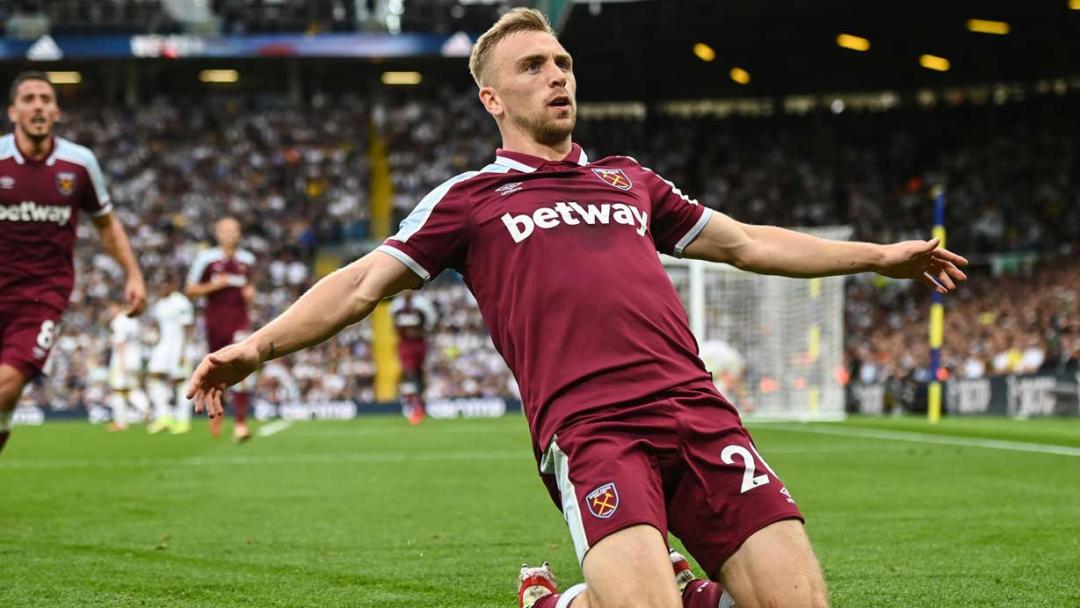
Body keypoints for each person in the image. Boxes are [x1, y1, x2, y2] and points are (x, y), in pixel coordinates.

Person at [187, 9, 968, 608]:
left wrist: (878, 258)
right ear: (492, 96)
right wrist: (255, 349)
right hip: (595, 428)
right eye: (533, 66)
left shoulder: (629, 180)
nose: (558, 75)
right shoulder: (468, 200)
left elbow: (745, 244)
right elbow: (358, 286)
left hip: (698, 411)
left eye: (562, 61)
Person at [0, 71, 146, 454]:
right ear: (13, 111)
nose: (38, 106)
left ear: (56, 111)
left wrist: (133, 274)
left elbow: (107, 224)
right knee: (4, 404)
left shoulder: (79, 163)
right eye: (29, 99)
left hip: (41, 297)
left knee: (6, 384)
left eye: (45, 100)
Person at [185, 216, 256, 442]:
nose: (230, 234)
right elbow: (190, 289)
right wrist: (214, 285)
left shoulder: (248, 260)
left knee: (243, 368)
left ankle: (241, 423)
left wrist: (250, 294)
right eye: (226, 230)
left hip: (240, 322)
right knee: (217, 371)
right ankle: (217, 413)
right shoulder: (206, 259)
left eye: (234, 230)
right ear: (218, 233)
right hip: (215, 324)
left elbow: (250, 287)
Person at [146, 273, 196, 434]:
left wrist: (184, 351)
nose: (161, 288)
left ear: (172, 284)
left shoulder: (180, 302)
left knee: (181, 381)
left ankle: (183, 421)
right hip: (163, 346)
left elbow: (188, 327)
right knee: (153, 378)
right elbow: (158, 327)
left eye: (164, 284)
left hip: (179, 345)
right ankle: (164, 417)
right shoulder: (159, 304)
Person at [391, 290, 438, 425]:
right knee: (410, 372)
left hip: (419, 342)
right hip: (405, 344)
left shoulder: (422, 304)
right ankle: (415, 407)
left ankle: (421, 404)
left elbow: (431, 321)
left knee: (420, 373)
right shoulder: (396, 306)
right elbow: (394, 325)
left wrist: (422, 333)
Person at [105, 301, 150, 431]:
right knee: (132, 389)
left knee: (118, 391)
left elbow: (120, 343)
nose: (110, 311)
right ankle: (146, 408)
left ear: (117, 306)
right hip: (135, 359)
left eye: (111, 308)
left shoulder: (119, 321)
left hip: (122, 360)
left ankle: (120, 422)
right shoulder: (133, 320)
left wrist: (122, 363)